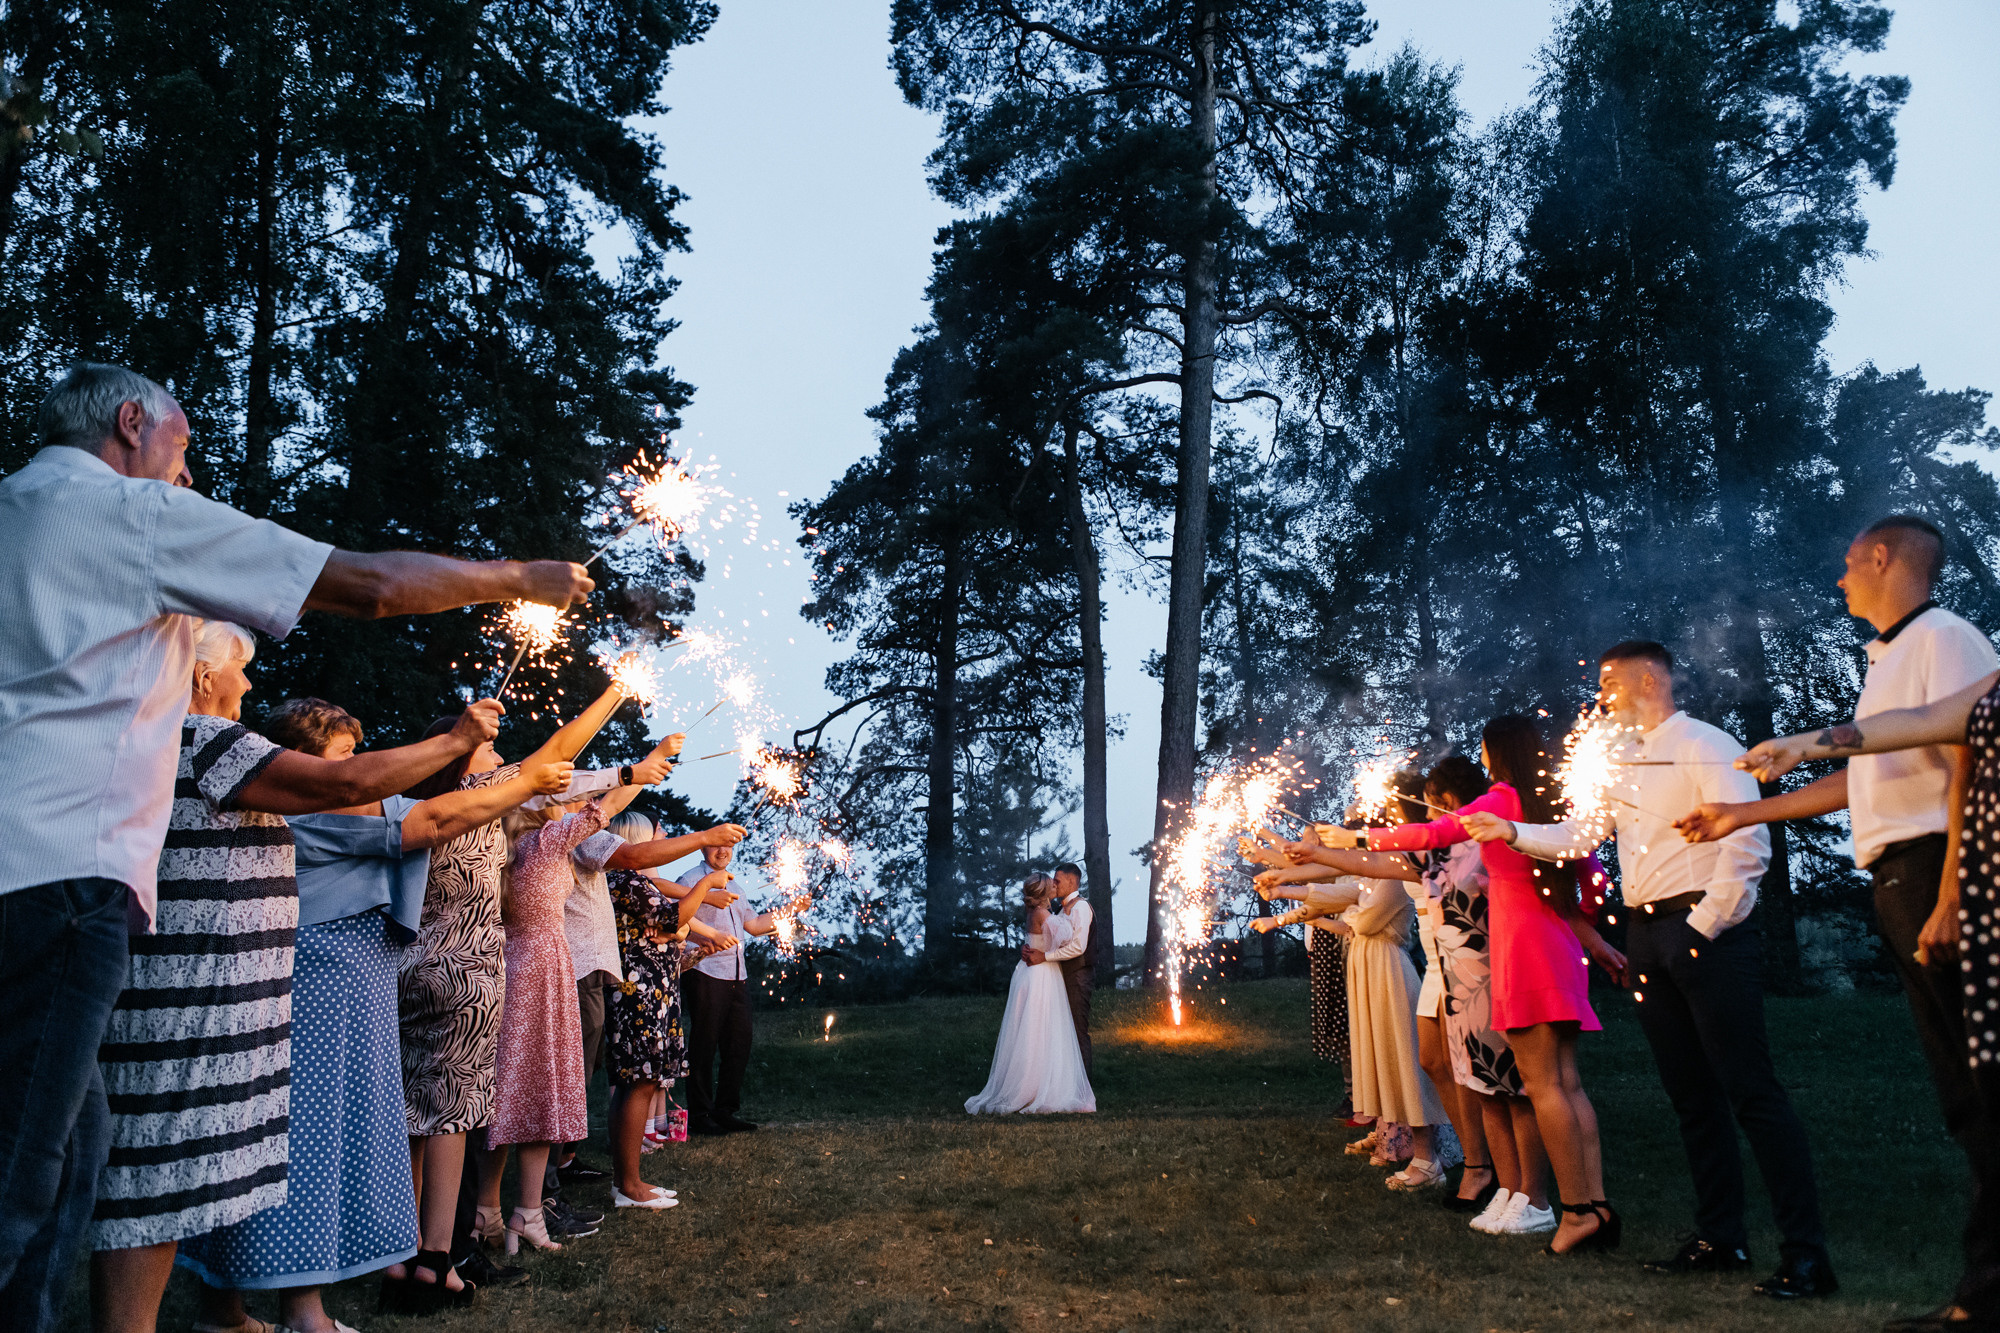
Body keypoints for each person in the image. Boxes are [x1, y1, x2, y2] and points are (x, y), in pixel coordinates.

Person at [0, 363, 591, 1330]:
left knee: (75, 1155)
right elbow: (364, 584)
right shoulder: (128, 514)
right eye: (183, 450)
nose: (187, 480)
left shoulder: (12, 513)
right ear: (131, 421)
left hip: (29, 877)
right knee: (24, 1181)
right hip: (63, 879)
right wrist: (520, 579)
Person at [87, 625, 507, 1333]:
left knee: (192, 1173)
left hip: (194, 988)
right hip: (195, 993)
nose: (249, 686)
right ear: (199, 678)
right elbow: (360, 788)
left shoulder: (145, 742)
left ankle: (224, 1312)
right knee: (154, 1184)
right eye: (240, 673)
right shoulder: (205, 738)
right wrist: (456, 738)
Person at [176, 697, 567, 1332]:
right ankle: (304, 1316)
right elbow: (432, 820)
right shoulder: (313, 805)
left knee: (262, 1143)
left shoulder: (290, 802)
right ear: (303, 761)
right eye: (342, 754)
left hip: (336, 988)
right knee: (304, 1145)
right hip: (322, 993)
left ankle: (226, 1314)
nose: (354, 765)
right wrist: (513, 774)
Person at [1463, 642, 1833, 1300]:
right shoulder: (1624, 760)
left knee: (1751, 1091)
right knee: (1691, 1097)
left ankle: (1806, 1255)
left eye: (1609, 682)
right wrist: (1512, 830)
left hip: (1706, 931)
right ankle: (1721, 1237)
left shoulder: (1705, 744)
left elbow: (1747, 843)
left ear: (1645, 678)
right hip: (1645, 934)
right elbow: (1579, 835)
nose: (1600, 695)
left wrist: (1700, 930)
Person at [1733, 654, 2000, 1333]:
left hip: (1966, 883)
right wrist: (1804, 744)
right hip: (1983, 891)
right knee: (1986, 1092)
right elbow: (1915, 725)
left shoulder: (1945, 640)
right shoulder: (1989, 688)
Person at [1318, 716, 1626, 1254]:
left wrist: (1360, 834)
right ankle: (1594, 1206)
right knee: (1567, 1083)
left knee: (1542, 1086)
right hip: (1557, 945)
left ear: (1496, 753)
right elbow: (1591, 876)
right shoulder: (1547, 800)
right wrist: (1593, 938)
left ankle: (1563, 1208)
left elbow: (1433, 833)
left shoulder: (1504, 798)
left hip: (1524, 948)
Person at [1254, 866, 1453, 1187]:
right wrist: (1281, 895)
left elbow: (1366, 919)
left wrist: (1351, 912)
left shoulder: (1392, 873)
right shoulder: (1373, 876)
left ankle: (1427, 1158)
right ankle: (1403, 1145)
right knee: (1384, 1066)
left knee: (1404, 1066)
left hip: (1389, 971)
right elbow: (1342, 896)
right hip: (1368, 969)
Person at [603, 813, 733, 1208]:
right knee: (638, 1083)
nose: (663, 836)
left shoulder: (636, 881)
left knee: (638, 1084)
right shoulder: (625, 880)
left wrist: (690, 956)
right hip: (636, 1000)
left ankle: (626, 1180)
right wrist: (706, 884)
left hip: (651, 995)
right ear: (636, 839)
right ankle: (629, 1184)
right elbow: (673, 917)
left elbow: (658, 941)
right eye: (657, 833)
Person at [966, 877, 1097, 1115]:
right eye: (1052, 885)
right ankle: (1036, 1087)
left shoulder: (1035, 912)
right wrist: (1067, 914)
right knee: (1039, 1027)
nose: (1055, 887)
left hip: (1029, 971)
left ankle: (1033, 1083)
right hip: (1041, 974)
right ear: (1045, 892)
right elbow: (1067, 936)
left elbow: (1040, 937)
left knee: (1029, 1027)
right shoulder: (1044, 914)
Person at [680, 843, 779, 1136]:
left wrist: (790, 911)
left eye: (728, 847)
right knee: (704, 1043)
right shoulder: (689, 880)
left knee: (739, 1043)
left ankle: (725, 1111)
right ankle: (700, 1114)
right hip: (705, 970)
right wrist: (704, 940)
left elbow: (754, 925)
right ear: (703, 849)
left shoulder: (734, 883)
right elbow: (680, 919)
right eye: (715, 846)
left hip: (737, 973)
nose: (722, 851)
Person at [1024, 863, 1098, 1073]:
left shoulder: (1081, 907)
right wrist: (1031, 948)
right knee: (1060, 1029)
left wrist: (1044, 956)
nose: (1053, 885)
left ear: (1072, 881)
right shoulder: (1057, 909)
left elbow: (1078, 947)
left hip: (1077, 976)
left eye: (1057, 880)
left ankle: (1083, 1086)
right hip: (1057, 976)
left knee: (1077, 1028)